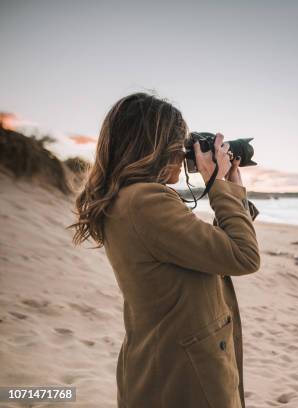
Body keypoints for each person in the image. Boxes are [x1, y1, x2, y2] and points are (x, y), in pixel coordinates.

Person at [69, 92, 260, 407]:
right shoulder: (146, 202)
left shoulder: (128, 200)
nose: (184, 152)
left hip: (165, 363)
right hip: (185, 376)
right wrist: (220, 184)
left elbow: (202, 252)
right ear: (155, 146)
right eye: (179, 142)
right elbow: (243, 256)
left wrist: (233, 192)